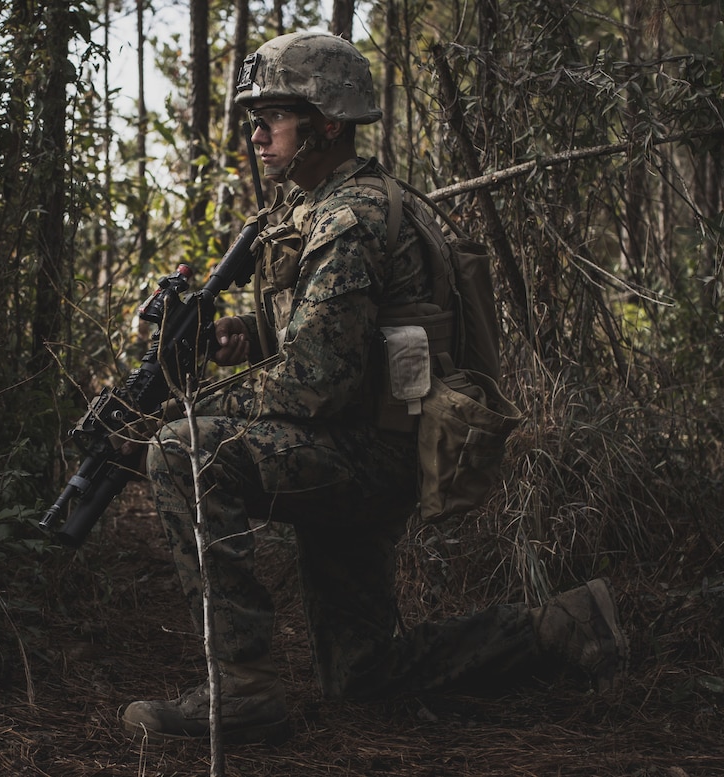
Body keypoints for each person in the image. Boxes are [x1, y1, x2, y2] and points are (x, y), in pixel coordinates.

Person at [121, 30, 628, 744]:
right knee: (364, 671)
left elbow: (313, 385)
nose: (258, 131)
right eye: (254, 117)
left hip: (364, 454)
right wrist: (255, 335)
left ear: (325, 123)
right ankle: (560, 625)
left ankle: (241, 690)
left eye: (274, 115)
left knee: (182, 451)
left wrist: (189, 408)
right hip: (370, 445)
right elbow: (352, 336)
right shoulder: (340, 205)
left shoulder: (349, 217)